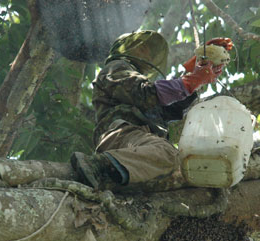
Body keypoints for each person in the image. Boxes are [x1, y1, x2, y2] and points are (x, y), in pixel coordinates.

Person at [71, 30, 229, 190]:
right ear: (126, 48)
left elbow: (168, 110)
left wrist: (195, 71)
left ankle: (113, 172)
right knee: (168, 154)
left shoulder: (138, 79)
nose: (147, 53)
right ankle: (98, 165)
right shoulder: (117, 67)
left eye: (151, 52)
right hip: (123, 134)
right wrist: (191, 80)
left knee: (185, 170)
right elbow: (146, 94)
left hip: (140, 145)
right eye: (142, 47)